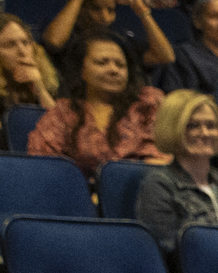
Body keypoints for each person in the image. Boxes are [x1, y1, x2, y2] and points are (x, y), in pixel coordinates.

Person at [132, 89, 218, 254]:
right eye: (193, 126)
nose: (205, 133)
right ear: (172, 128)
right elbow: (170, 254)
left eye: (211, 125)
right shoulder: (160, 185)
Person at [26, 30, 163, 178]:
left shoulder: (146, 106)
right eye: (102, 62)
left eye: (120, 65)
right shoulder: (63, 112)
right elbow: (43, 162)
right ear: (82, 70)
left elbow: (163, 158)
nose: (113, 70)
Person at [37, 0, 171, 81]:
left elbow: (165, 56)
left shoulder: (119, 38)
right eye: (96, 9)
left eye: (110, 10)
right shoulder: (67, 33)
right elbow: (53, 41)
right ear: (81, 8)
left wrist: (141, 9)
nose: (104, 17)